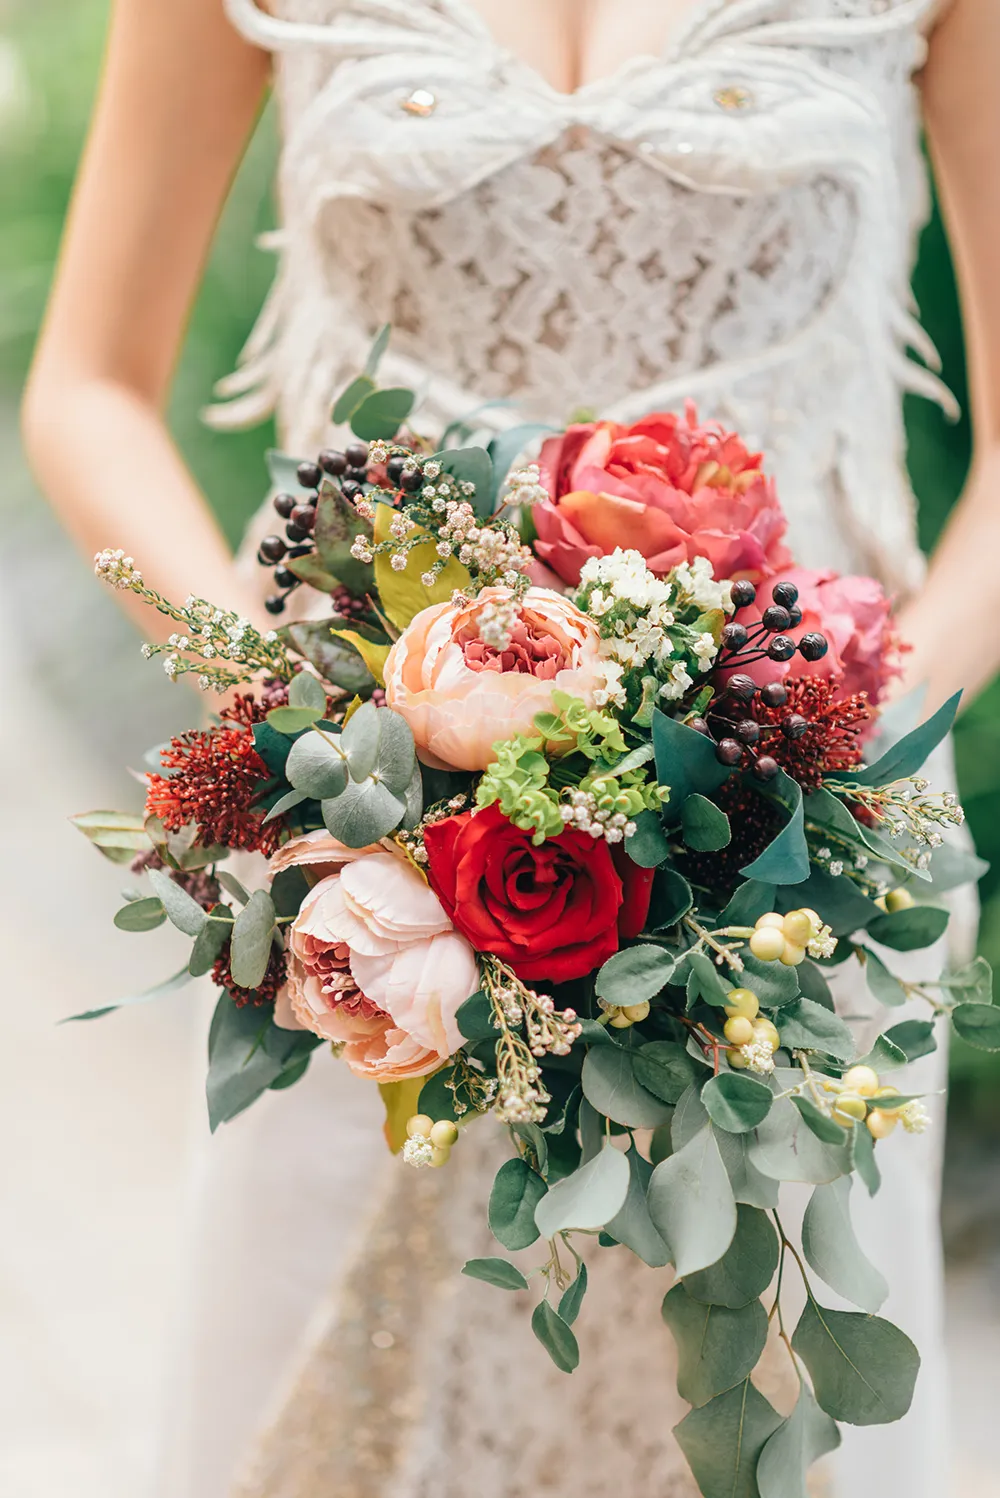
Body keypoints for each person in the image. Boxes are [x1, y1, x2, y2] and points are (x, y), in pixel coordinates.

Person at [21, 2, 995, 1494]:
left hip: (807, 853)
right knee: (322, 1381)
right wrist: (296, 719)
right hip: (355, 854)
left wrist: (814, 741)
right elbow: (88, 387)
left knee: (769, 1393)